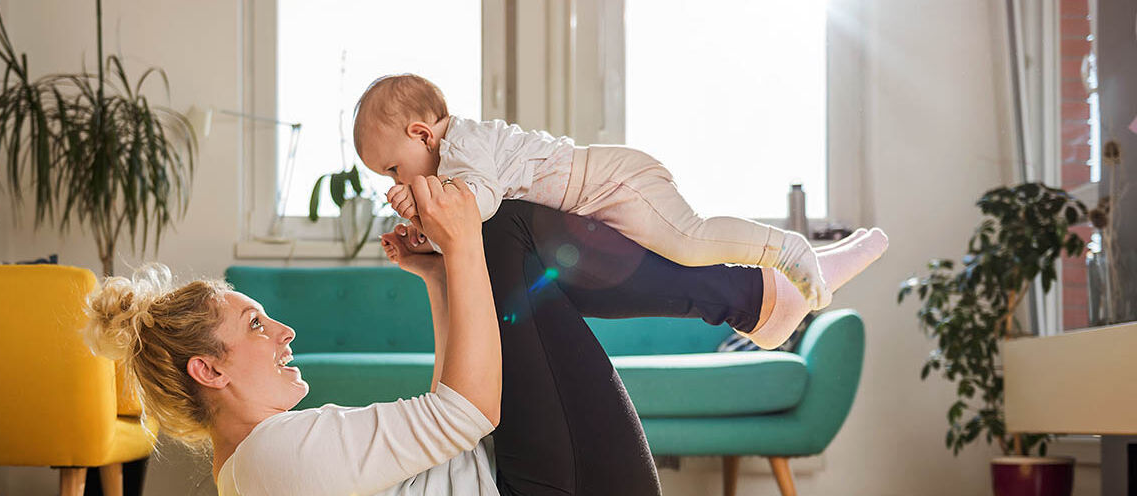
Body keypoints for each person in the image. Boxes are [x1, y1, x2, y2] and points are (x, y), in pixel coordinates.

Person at [83, 175, 882, 496]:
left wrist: (444, 278)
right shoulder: (271, 462)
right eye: (256, 324)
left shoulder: (263, 462)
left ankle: (755, 299)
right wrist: (466, 249)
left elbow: (449, 428)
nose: (283, 331)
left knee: (506, 230)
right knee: (501, 223)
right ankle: (754, 297)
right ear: (207, 368)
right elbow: (466, 413)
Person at [352, 73, 890, 314]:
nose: (397, 182)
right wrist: (427, 231)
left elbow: (480, 202)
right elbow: (469, 229)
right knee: (675, 261)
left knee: (691, 242)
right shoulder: (452, 161)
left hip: (616, 182)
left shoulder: (463, 144)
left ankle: (790, 250)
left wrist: (423, 202)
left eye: (394, 168)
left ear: (423, 135)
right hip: (599, 201)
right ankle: (770, 304)